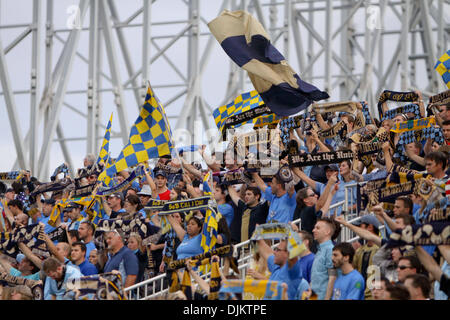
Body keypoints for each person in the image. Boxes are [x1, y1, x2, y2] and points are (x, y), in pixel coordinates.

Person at [310, 217, 340, 300]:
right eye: (314, 227)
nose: (313, 230)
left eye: (318, 228)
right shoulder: (320, 250)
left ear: (327, 231)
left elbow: (332, 277)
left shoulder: (330, 250)